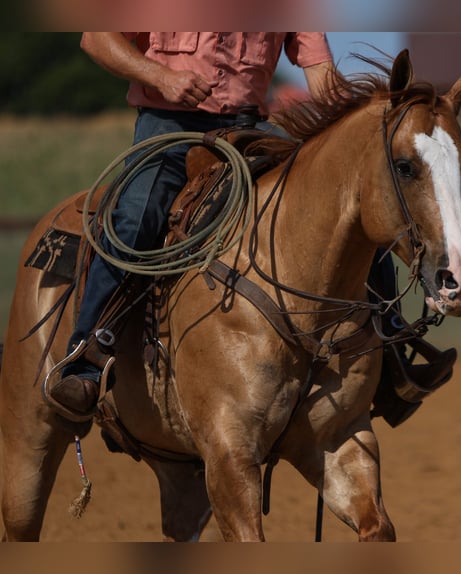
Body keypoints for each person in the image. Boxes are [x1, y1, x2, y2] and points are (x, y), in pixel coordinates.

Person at [48, 32, 337, 420]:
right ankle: (86, 358)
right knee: (136, 218)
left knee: (341, 195)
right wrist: (162, 77)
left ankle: (390, 350)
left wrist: (354, 122)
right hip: (168, 124)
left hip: (250, 129)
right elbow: (97, 39)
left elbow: (321, 73)